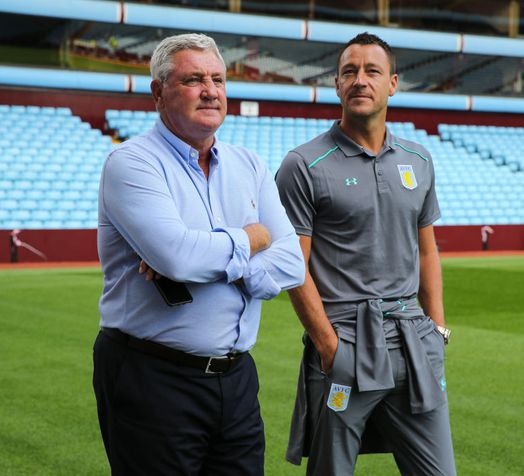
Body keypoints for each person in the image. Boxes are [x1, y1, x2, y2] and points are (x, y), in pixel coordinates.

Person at [93, 33, 305, 475]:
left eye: (218, 79)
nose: (211, 90)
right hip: (152, 375)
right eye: (194, 79)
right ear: (158, 92)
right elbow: (178, 258)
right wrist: (252, 238)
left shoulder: (250, 165)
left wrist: (207, 258)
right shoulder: (132, 163)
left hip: (237, 378)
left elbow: (291, 263)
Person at [275, 32, 456, 475]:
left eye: (372, 71)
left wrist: (438, 329)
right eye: (349, 72)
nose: (360, 80)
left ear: (392, 83)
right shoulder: (303, 164)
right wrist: (328, 346)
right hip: (347, 344)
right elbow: (294, 266)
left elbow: (427, 251)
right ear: (336, 85)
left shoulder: (419, 159)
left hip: (415, 344)